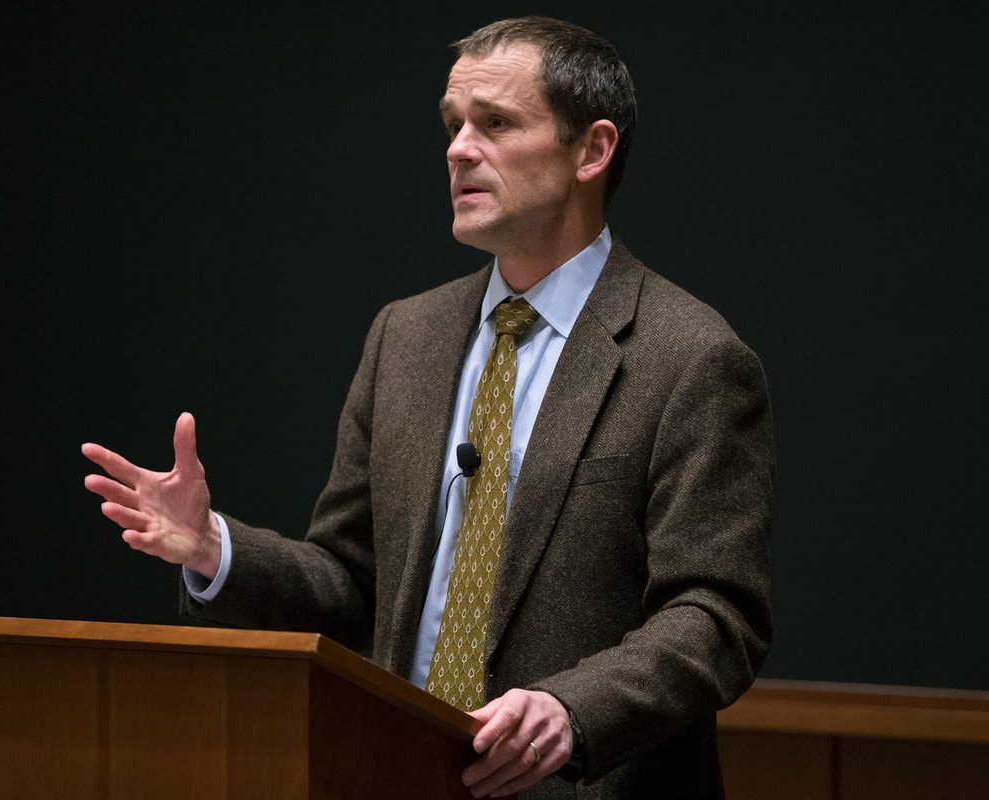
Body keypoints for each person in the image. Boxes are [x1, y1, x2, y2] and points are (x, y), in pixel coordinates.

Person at [82, 16, 773, 800]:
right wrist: (212, 548)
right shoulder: (403, 337)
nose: (457, 148)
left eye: (496, 123)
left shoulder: (689, 358)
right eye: (453, 124)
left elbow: (716, 617)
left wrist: (568, 710)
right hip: (392, 772)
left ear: (593, 149)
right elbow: (349, 585)